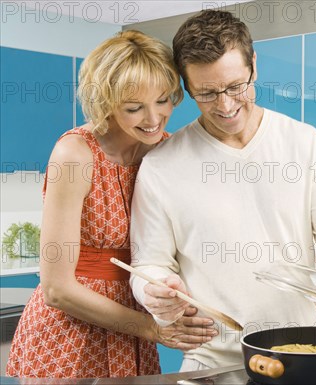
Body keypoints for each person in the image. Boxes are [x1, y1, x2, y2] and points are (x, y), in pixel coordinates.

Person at [129, 10, 316, 371]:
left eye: (235, 86)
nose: (225, 106)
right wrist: (152, 292)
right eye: (207, 93)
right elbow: (148, 264)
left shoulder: (304, 142)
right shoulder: (161, 165)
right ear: (186, 87)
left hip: (304, 351)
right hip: (210, 360)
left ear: (253, 66)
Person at [6, 30, 213, 378]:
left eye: (163, 100)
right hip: (68, 335)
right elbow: (57, 289)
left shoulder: (166, 151)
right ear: (105, 102)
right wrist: (151, 329)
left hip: (134, 332)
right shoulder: (75, 155)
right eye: (134, 108)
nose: (153, 119)